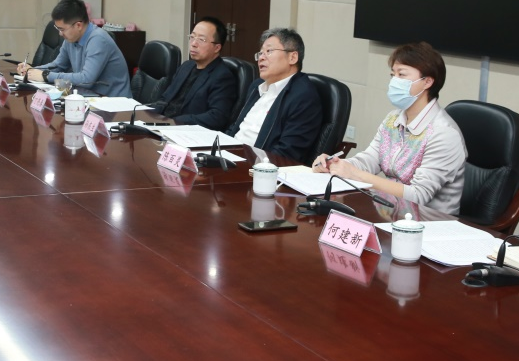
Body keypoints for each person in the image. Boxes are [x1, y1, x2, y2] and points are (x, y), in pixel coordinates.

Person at [313, 41, 466, 215]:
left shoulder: (444, 133)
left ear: (427, 82)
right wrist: (335, 164)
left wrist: (355, 174)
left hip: (431, 222)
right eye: (393, 75)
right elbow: (370, 160)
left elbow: (418, 195)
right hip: (390, 213)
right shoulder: (393, 119)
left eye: (402, 74)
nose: (394, 81)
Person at [225, 27, 323, 164]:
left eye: (269, 51)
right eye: (260, 53)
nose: (261, 58)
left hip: (257, 167)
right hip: (230, 157)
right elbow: (236, 127)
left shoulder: (304, 97)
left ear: (293, 57)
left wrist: (250, 165)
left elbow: (287, 153)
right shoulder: (256, 86)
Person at [17, 0, 132, 97]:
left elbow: (86, 80)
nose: (60, 34)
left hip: (114, 105)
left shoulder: (98, 40)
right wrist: (32, 70)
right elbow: (58, 65)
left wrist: (45, 75)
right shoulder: (71, 38)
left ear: (78, 25)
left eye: (62, 29)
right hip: (89, 98)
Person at [151, 17, 238, 130]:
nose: (193, 44)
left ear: (217, 48)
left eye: (201, 39)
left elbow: (216, 117)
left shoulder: (222, 76)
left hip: (184, 131)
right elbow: (165, 99)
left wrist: (175, 122)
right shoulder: (186, 66)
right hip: (162, 125)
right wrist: (148, 116)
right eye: (192, 37)